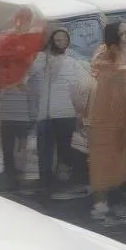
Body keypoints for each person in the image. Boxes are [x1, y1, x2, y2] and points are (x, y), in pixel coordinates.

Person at [84, 21, 126, 221]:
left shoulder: (125, 59)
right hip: (106, 121)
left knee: (116, 161)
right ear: (115, 39)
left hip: (118, 120)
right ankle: (100, 203)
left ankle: (109, 199)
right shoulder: (112, 65)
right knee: (102, 162)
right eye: (125, 34)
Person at [27, 28, 87, 196]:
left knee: (65, 149)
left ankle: (61, 183)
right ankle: (45, 183)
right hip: (45, 114)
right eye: (57, 40)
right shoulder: (41, 59)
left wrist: (79, 111)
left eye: (63, 39)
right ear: (51, 42)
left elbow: (77, 87)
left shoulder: (72, 61)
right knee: (45, 150)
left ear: (68, 42)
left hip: (66, 112)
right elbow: (31, 77)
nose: (60, 43)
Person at [0, 8, 46, 186]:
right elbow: (1, 60)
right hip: (9, 95)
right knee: (9, 137)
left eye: (26, 19)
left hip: (24, 97)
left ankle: (19, 171)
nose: (22, 22)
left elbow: (33, 61)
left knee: (23, 137)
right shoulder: (7, 39)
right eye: (20, 19)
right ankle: (11, 171)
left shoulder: (30, 40)